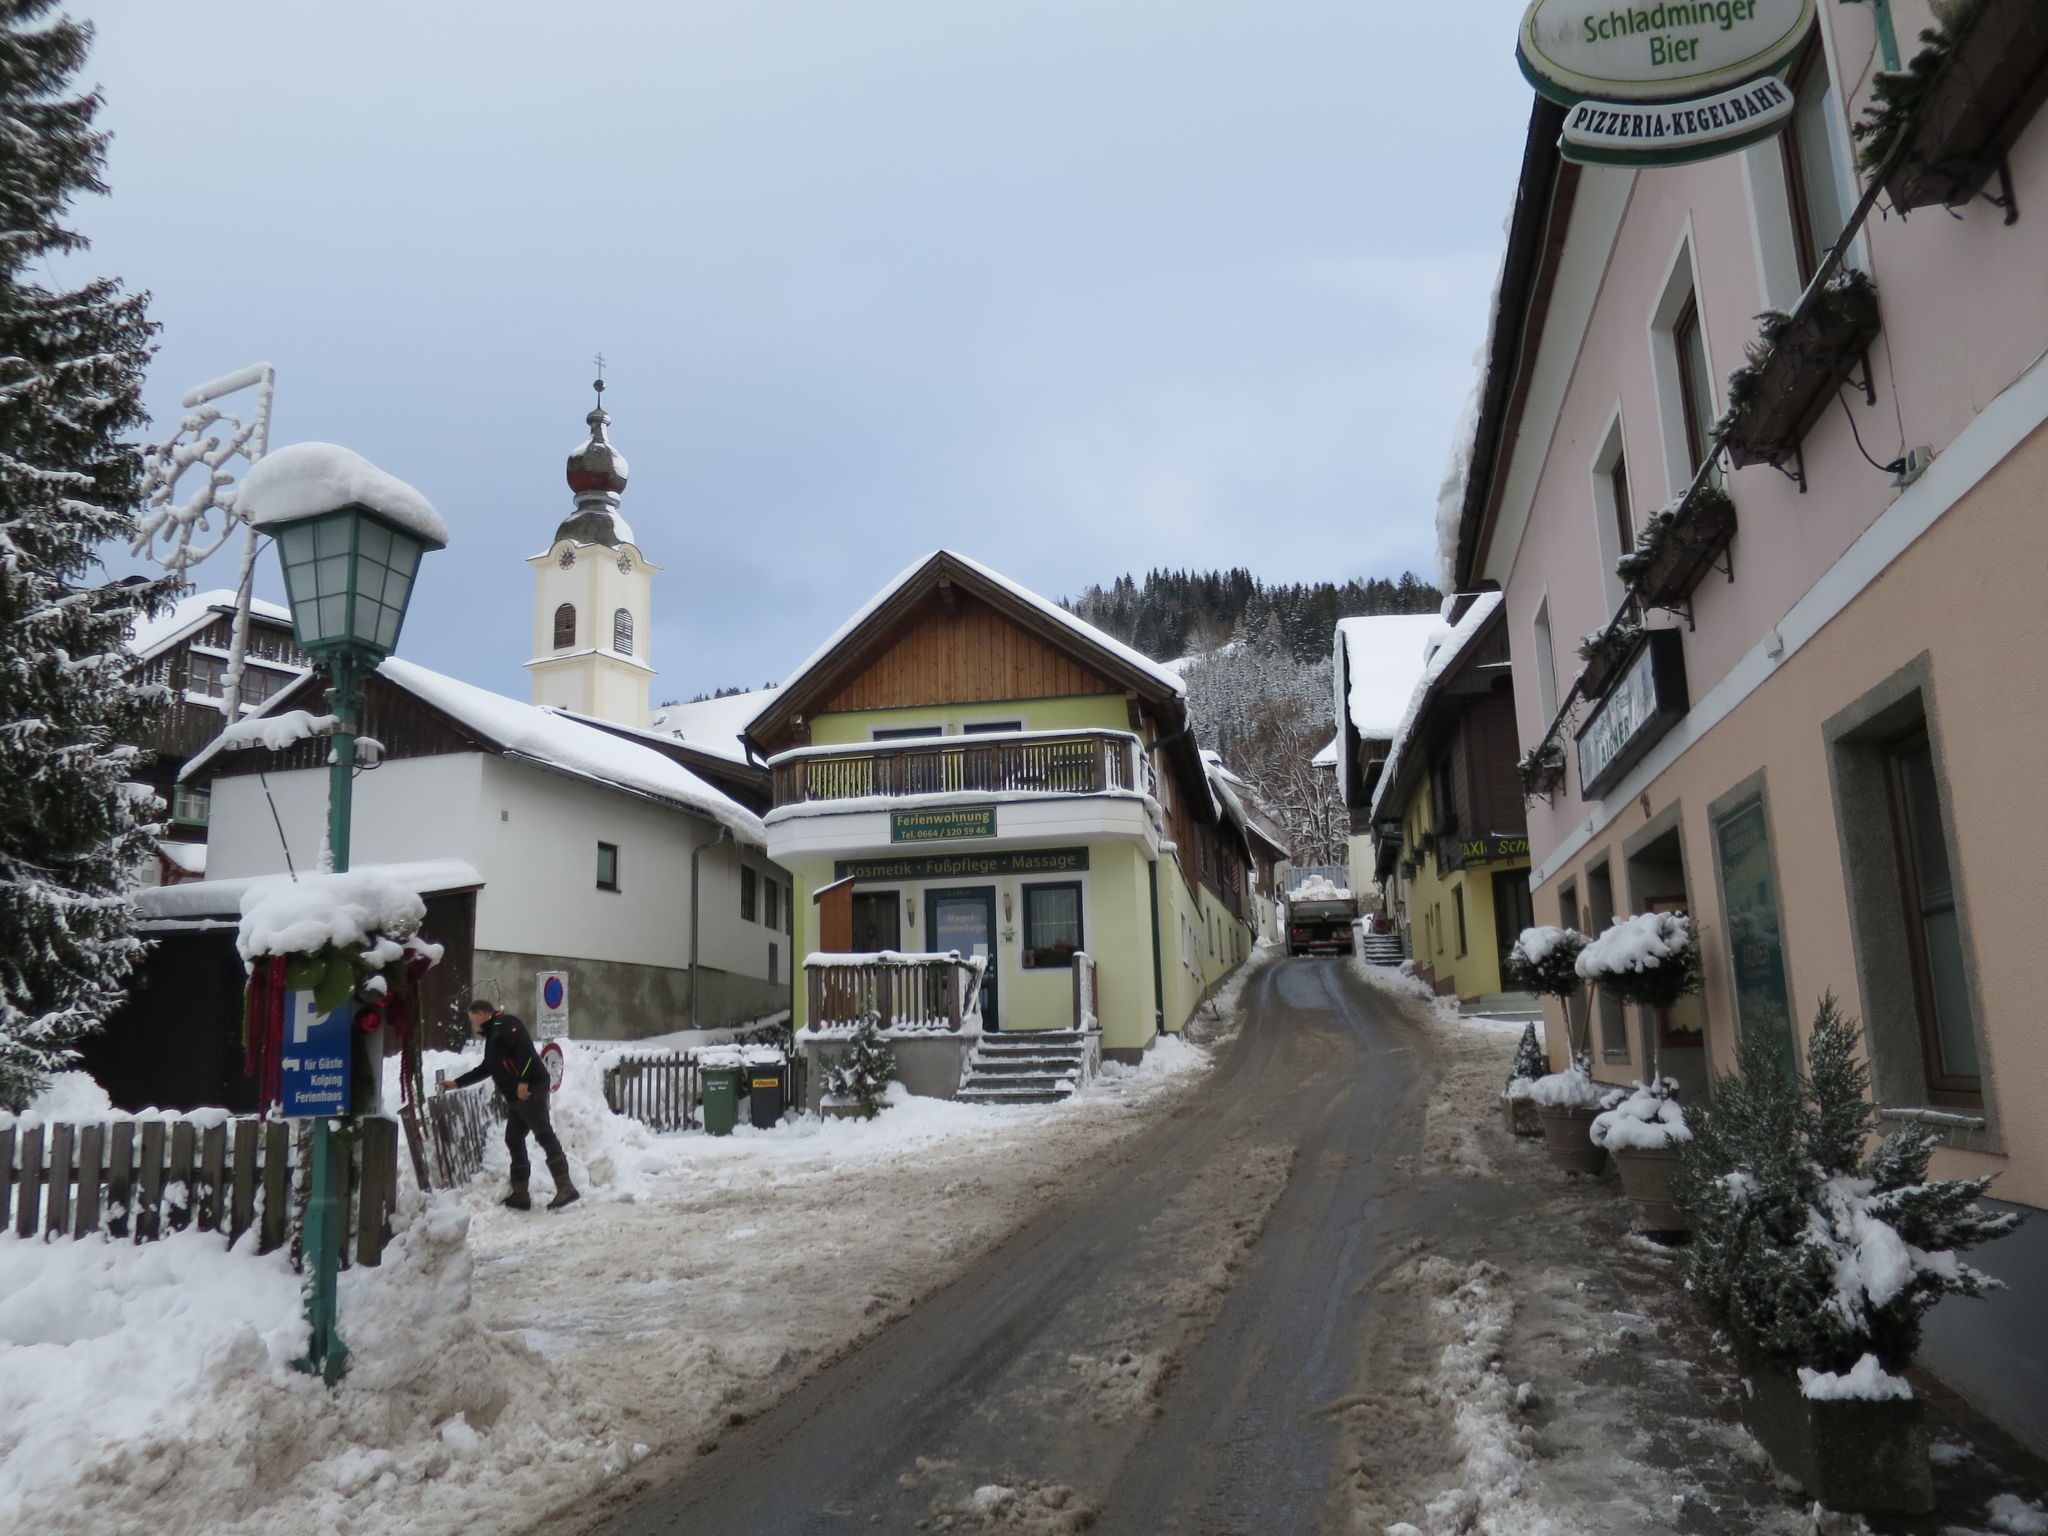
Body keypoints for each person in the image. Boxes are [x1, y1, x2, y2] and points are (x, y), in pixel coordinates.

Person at [436, 1000, 579, 1211]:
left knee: (543, 1133)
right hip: (516, 1095)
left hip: (530, 1088)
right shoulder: (493, 1035)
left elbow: (525, 1050)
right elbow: (487, 1067)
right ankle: (520, 1194)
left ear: (482, 1014)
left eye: (472, 1018)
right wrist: (457, 1083)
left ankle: (565, 1187)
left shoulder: (506, 1024)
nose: (472, 1024)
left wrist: (524, 1080)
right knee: (513, 1138)